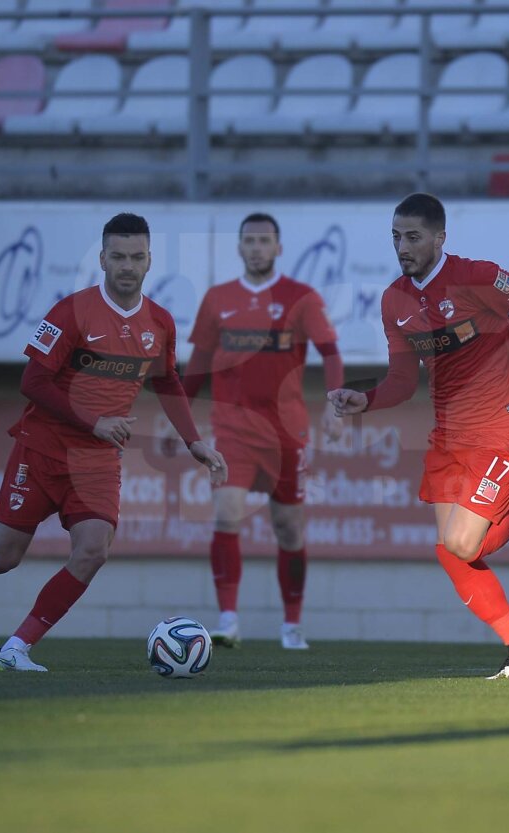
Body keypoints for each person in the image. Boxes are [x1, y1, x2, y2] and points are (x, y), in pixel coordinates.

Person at [328, 193, 509, 679]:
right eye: (395, 237)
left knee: (467, 545)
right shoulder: (395, 301)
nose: (402, 246)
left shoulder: (476, 277)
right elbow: (403, 382)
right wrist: (364, 399)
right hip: (449, 435)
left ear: (439, 238)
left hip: (500, 427)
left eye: (412, 237)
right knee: (448, 549)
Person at [0, 213, 227, 671]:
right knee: (1, 557)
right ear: (101, 258)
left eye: (136, 257)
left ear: (150, 260)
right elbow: (33, 381)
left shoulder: (159, 323)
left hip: (96, 460)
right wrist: (95, 420)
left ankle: (16, 648)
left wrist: (194, 441)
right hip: (41, 451)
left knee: (94, 549)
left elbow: (169, 382)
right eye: (118, 256)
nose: (127, 266)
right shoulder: (71, 311)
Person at [183, 213, 344, 651]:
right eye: (249, 241)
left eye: (264, 240)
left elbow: (330, 353)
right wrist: (176, 413)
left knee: (289, 529)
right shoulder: (218, 300)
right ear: (239, 248)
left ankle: (292, 625)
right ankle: (228, 620)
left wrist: (334, 403)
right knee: (226, 513)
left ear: (278, 247)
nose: (256, 248)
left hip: (285, 432)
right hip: (232, 427)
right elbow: (196, 366)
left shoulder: (301, 298)